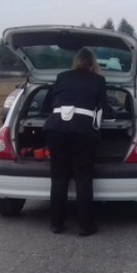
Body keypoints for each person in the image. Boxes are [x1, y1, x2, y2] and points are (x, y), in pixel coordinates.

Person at [43, 48, 109, 236]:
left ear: (76, 62)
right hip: (83, 131)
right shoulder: (98, 80)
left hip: (56, 128)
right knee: (83, 178)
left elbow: (49, 104)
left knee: (59, 178)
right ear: (92, 64)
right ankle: (85, 226)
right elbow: (105, 108)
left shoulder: (62, 77)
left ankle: (56, 224)